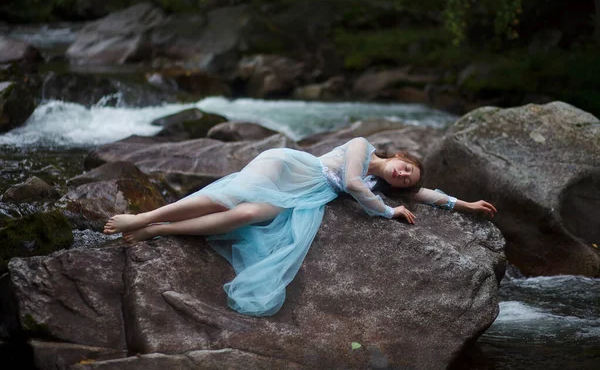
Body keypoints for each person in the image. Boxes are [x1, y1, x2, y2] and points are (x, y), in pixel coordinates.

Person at [103, 137, 496, 316]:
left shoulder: (389, 185)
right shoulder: (363, 147)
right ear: (399, 156)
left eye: (406, 180)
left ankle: (160, 230)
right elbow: (355, 183)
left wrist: (464, 204)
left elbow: (426, 194)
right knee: (241, 190)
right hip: (288, 167)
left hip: (300, 198)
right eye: (406, 168)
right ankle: (145, 217)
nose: (404, 175)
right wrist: (386, 212)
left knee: (247, 215)